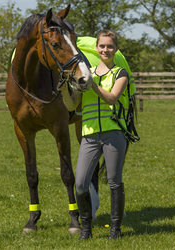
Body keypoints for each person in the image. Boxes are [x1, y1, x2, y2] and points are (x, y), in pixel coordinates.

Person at [58, 30, 130, 240]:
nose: (105, 50)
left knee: (114, 181)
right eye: (102, 46)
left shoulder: (120, 73)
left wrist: (93, 84)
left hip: (113, 133)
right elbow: (72, 105)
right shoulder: (86, 72)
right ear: (96, 49)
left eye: (110, 46)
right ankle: (86, 229)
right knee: (80, 183)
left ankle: (115, 230)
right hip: (89, 136)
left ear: (115, 49)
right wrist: (64, 91)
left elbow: (111, 98)